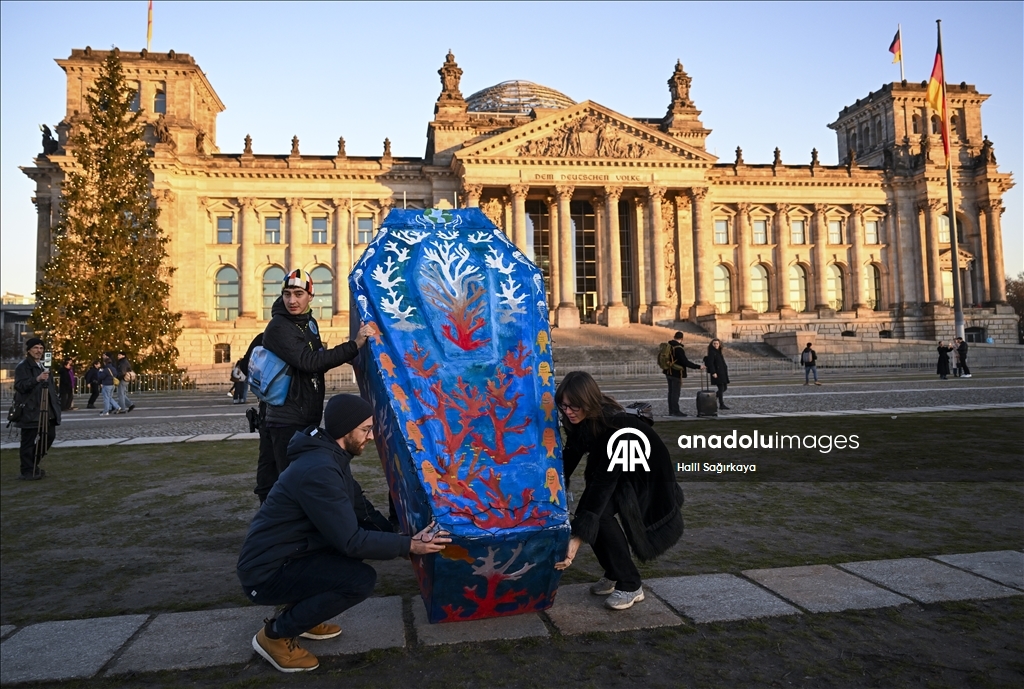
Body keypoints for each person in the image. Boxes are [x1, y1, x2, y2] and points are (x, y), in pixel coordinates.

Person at [237, 394, 449, 673]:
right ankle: (275, 635)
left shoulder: (330, 459)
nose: (371, 437)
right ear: (345, 430)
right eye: (366, 429)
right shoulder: (319, 471)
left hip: (289, 555)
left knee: (348, 561)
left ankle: (306, 616)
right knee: (359, 580)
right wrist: (408, 546)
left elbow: (363, 509)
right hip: (265, 573)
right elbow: (351, 541)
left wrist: (402, 537)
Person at [554, 371, 684, 611]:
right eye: (563, 406)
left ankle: (631, 584)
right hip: (623, 470)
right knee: (589, 514)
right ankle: (614, 573)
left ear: (587, 401)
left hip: (647, 477)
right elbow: (569, 458)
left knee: (598, 515)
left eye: (573, 406)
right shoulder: (583, 421)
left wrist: (576, 540)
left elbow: (603, 483)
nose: (568, 412)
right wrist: (549, 486)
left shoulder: (615, 428)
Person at [259, 269, 373, 501]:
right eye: (287, 294)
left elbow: (318, 357)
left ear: (310, 296)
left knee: (300, 478)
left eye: (298, 294)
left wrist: (348, 355)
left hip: (304, 414)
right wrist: (353, 346)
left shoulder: (308, 323)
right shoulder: (279, 327)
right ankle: (284, 523)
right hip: (286, 418)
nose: (292, 300)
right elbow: (309, 362)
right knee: (290, 482)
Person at [13, 338, 61, 480]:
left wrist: (56, 403)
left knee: (49, 436)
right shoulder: (22, 367)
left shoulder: (44, 366)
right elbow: (20, 386)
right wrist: (36, 379)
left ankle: (33, 464)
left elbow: (51, 387)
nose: (38, 351)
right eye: (35, 348)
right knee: (28, 441)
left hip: (47, 409)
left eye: (41, 348)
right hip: (30, 410)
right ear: (29, 350)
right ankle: (27, 470)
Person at [664, 331, 702, 417]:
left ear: (674, 337)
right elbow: (685, 362)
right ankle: (675, 411)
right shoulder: (678, 348)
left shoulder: (669, 346)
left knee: (671, 392)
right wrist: (698, 366)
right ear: (682, 339)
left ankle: (671, 411)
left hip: (668, 371)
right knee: (675, 393)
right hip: (676, 373)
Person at [704, 338, 731, 410]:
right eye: (714, 344)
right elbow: (711, 363)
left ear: (719, 344)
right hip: (717, 373)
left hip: (722, 373)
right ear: (712, 344)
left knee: (724, 388)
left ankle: (712, 398)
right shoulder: (712, 352)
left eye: (717, 344)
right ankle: (721, 404)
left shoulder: (719, 352)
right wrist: (713, 372)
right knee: (721, 388)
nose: (716, 345)